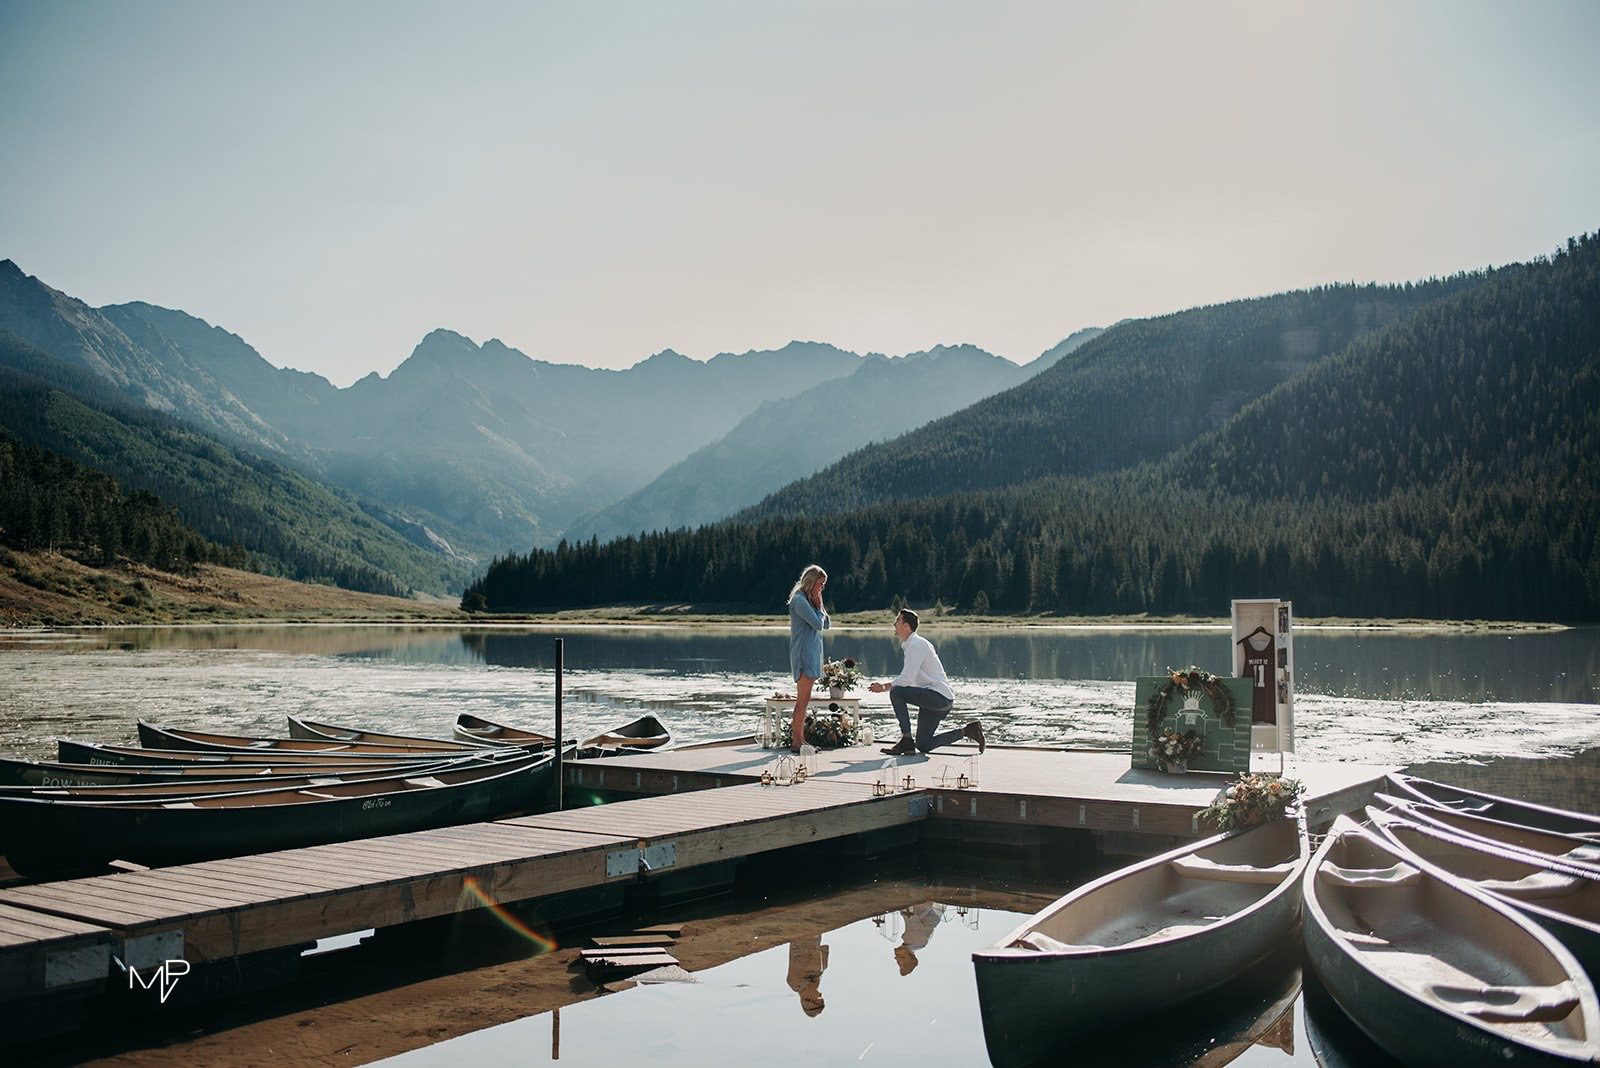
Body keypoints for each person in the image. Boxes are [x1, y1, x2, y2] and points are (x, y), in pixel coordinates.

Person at [868, 608, 985, 755]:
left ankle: (906, 740)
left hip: (938, 697)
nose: (894, 624)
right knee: (923, 745)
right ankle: (968, 731)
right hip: (935, 700)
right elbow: (910, 681)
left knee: (896, 691)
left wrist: (884, 686)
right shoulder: (912, 645)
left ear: (906, 626)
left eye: (897, 621)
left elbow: (907, 678)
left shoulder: (916, 645)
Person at [787, 564, 829, 753]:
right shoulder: (800, 601)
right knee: (802, 700)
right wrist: (819, 607)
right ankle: (797, 742)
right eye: (820, 584)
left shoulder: (811, 600)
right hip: (803, 654)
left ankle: (801, 740)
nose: (822, 588)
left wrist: (820, 606)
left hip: (812, 654)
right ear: (811, 582)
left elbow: (826, 624)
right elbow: (818, 624)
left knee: (805, 700)